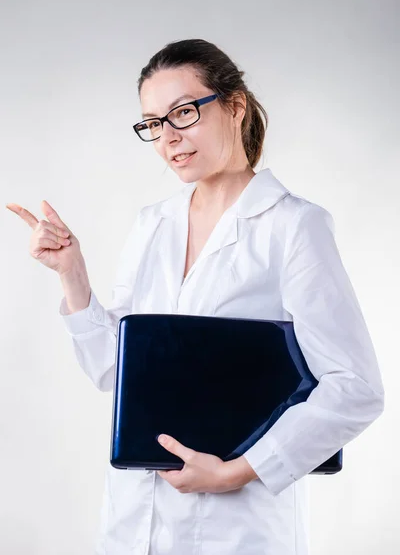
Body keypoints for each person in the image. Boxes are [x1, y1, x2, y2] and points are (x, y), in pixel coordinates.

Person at [7, 38, 385, 555]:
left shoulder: (294, 226)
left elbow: (356, 387)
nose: (169, 138)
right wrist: (72, 274)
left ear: (235, 105)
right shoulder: (153, 224)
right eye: (153, 123)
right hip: (132, 520)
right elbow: (114, 373)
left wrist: (236, 472)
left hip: (237, 529)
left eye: (183, 113)